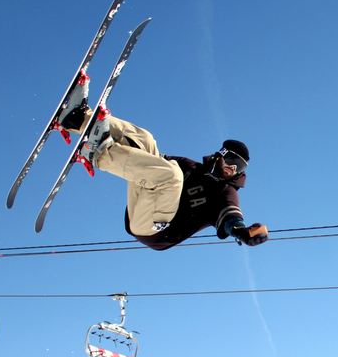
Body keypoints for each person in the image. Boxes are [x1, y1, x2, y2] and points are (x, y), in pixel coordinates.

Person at [61, 104, 268, 251]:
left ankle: (98, 155)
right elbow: (147, 160)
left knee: (172, 176)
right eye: (231, 161)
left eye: (238, 168)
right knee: (147, 140)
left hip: (157, 230)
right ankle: (76, 119)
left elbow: (231, 218)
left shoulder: (225, 193)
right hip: (142, 203)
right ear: (219, 155)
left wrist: (241, 232)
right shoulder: (190, 166)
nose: (232, 169)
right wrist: (126, 141)